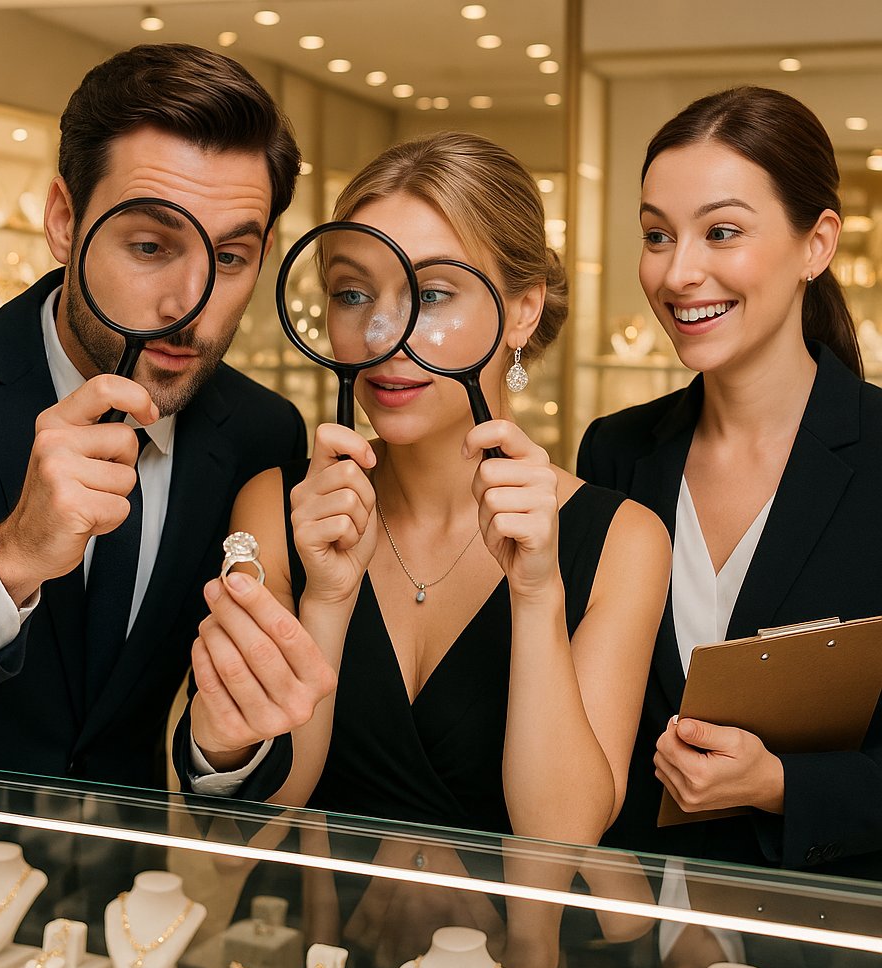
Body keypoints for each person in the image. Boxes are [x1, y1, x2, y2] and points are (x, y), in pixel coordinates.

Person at [178, 131, 671, 845]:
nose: (382, 334)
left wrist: (537, 595)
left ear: (523, 310)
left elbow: (561, 839)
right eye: (352, 294)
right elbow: (251, 832)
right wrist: (326, 600)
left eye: (433, 295)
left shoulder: (624, 540)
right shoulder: (277, 506)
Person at [0, 43, 309, 789]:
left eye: (230, 259)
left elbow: (227, 764)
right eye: (149, 245)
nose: (187, 305)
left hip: (133, 860)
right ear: (65, 221)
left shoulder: (263, 433)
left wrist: (225, 749)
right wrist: (12, 557)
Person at [577, 86, 882, 879]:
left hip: (818, 929)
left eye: (721, 232)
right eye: (657, 235)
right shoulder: (614, 453)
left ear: (817, 244)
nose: (679, 273)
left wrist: (782, 785)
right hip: (630, 916)